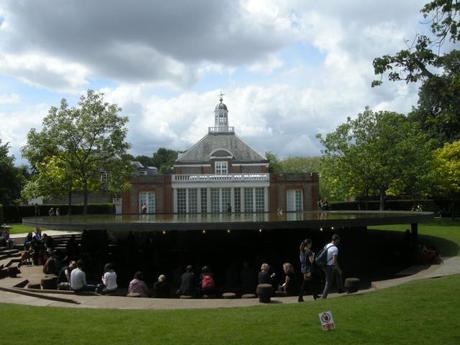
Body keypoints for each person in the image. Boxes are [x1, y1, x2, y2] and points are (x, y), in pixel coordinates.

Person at [321, 234, 344, 299]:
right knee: (328, 282)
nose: (338, 242)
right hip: (330, 266)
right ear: (336, 240)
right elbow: (334, 261)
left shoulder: (327, 245)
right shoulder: (335, 248)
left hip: (324, 265)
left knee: (338, 274)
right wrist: (339, 269)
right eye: (338, 240)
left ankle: (340, 289)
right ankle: (324, 296)